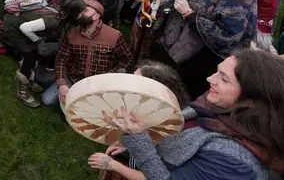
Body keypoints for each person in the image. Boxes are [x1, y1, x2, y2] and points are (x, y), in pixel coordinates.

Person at [100, 50, 284, 180]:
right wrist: (139, 140)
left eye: (224, 78)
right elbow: (180, 131)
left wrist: (138, 140)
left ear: (252, 98)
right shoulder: (219, 105)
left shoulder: (233, 162)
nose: (210, 79)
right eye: (217, 72)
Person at [150, 0, 257, 98]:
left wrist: (189, 14)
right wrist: (161, 0)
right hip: (169, 53)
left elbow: (228, 37)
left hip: (201, 66)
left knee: (185, 102)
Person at [88, 60, 191, 179]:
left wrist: (113, 165)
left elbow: (155, 176)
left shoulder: (174, 131)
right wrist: (125, 143)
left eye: (136, 83)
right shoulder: (156, 112)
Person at [42, 0, 132, 107]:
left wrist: (109, 77)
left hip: (100, 84)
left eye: (85, 11)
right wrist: (62, 84)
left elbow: (127, 59)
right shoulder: (71, 34)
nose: (80, 13)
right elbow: (61, 59)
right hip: (74, 80)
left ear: (96, 16)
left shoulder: (115, 35)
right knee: (47, 100)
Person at [3, 0, 60, 108]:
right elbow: (25, 28)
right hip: (14, 27)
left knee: (33, 54)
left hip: (22, 24)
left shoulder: (56, 14)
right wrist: (36, 38)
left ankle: (29, 79)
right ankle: (22, 92)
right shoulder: (55, 20)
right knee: (29, 58)